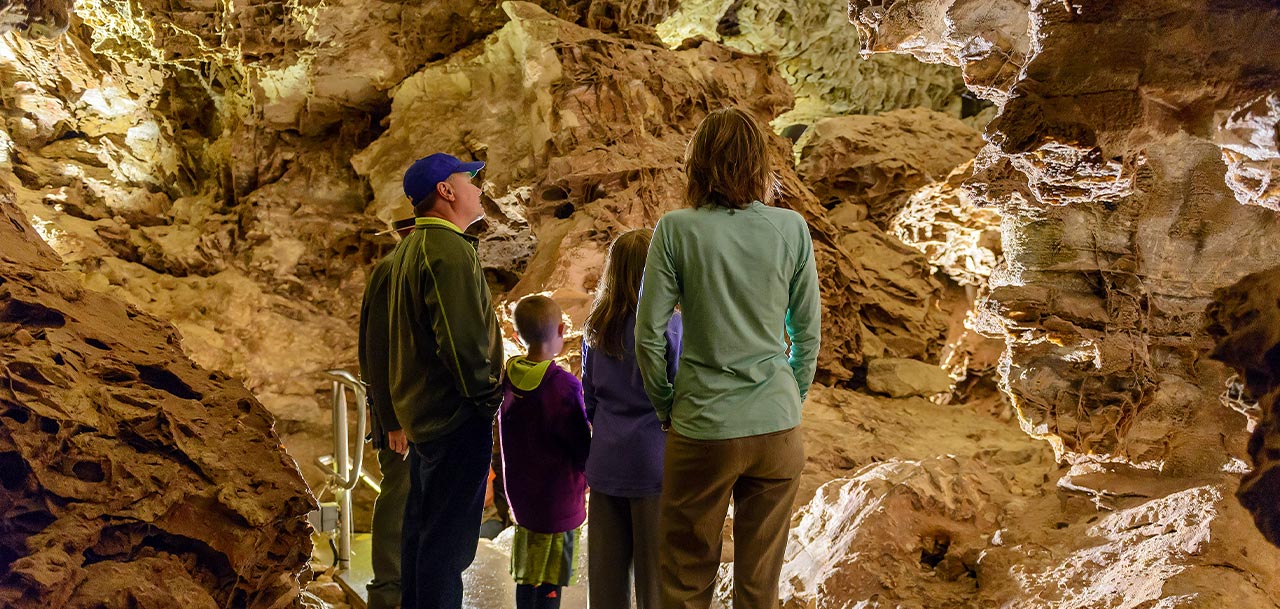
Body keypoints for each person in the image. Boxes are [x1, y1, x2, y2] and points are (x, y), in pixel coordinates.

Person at [635, 107, 821, 609]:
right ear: (760, 165)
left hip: (703, 425)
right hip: (777, 429)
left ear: (697, 166)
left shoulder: (677, 229)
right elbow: (807, 334)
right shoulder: (792, 228)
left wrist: (665, 406)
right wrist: (789, 397)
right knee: (760, 585)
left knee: (685, 580)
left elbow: (648, 336)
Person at [387, 152, 505, 609]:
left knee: (423, 536)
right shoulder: (447, 250)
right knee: (447, 548)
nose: (479, 187)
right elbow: (460, 340)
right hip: (454, 416)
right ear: (446, 191)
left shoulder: (411, 249)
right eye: (469, 178)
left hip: (425, 416)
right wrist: (487, 399)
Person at [581, 229, 682, 609]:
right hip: (654, 463)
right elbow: (678, 393)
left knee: (605, 583)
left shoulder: (595, 328)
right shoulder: (671, 326)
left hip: (606, 460)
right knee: (656, 582)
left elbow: (587, 398)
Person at [498, 295, 591, 609]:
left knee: (528, 575)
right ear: (562, 329)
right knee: (552, 579)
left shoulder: (508, 378)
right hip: (557, 501)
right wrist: (590, 473)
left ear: (516, 336)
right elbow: (579, 443)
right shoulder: (563, 386)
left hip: (523, 500)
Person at [357, 215, 415, 609]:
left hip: (408, 412)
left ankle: (402, 586)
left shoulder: (401, 268)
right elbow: (378, 350)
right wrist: (393, 419)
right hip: (402, 415)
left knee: (409, 496)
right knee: (399, 494)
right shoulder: (394, 270)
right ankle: (388, 593)